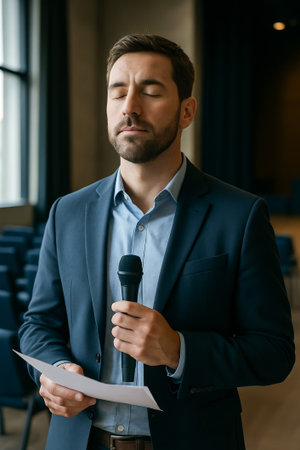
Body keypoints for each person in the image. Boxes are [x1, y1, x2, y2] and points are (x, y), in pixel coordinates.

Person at [19, 34, 295, 450]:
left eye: (150, 91)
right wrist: (54, 371)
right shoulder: (67, 213)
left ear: (187, 111)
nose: (130, 107)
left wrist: (178, 350)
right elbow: (38, 324)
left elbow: (273, 352)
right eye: (117, 92)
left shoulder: (240, 215)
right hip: (79, 440)